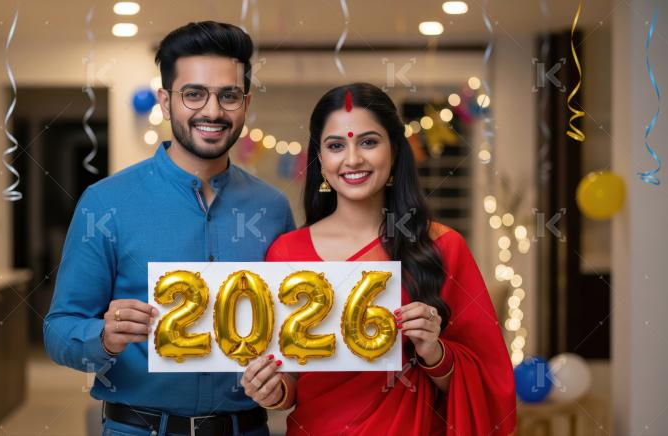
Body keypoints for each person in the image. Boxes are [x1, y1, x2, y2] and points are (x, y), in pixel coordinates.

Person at [44, 21, 295, 436]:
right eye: (193, 94)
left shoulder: (273, 207)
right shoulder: (106, 203)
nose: (212, 112)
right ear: (165, 101)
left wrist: (282, 385)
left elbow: (290, 336)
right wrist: (103, 337)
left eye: (228, 95)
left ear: (246, 103)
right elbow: (58, 330)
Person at [240, 83, 516, 435]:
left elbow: (488, 385)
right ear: (320, 159)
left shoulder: (442, 247)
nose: (353, 159)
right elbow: (290, 376)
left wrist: (434, 351)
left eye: (368, 142)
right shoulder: (287, 253)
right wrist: (272, 391)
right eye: (336, 145)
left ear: (396, 151)